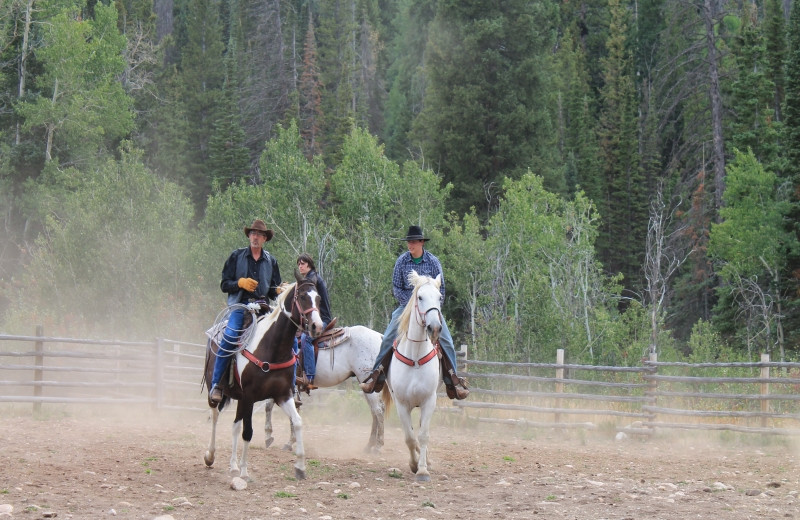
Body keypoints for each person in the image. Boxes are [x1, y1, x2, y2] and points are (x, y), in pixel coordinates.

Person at [360, 225, 469, 400]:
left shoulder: (433, 262)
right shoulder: (402, 261)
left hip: (430, 308)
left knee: (447, 340)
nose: (410, 245)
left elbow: (441, 290)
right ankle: (376, 375)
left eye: (413, 242)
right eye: (408, 242)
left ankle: (454, 380)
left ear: (421, 243)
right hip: (406, 307)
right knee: (388, 336)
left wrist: (432, 307)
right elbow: (396, 288)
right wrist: (411, 304)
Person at [208, 219, 282, 406]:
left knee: (286, 336)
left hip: (264, 308)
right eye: (252, 234)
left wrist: (281, 290)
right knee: (230, 337)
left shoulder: (271, 261)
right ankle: (217, 384)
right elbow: (224, 285)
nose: (255, 237)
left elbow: (273, 290)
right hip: (240, 307)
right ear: (249, 236)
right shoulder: (236, 256)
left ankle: (291, 386)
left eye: (259, 235)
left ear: (265, 238)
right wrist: (239, 283)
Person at [294, 253, 332, 391]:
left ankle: (309, 377)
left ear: (309, 264)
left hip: (322, 319)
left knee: (306, 339)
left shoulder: (312, 279)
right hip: (316, 318)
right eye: (298, 264)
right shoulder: (310, 278)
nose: (300, 266)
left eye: (302, 263)